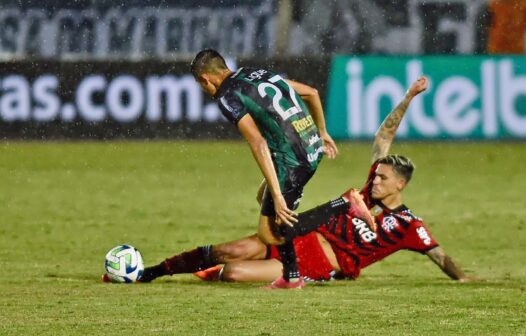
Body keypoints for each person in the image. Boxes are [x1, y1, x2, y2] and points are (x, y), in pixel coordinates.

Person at [133, 76, 472, 285]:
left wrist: (465, 279)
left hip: (320, 262)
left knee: (234, 272)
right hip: (301, 233)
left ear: (401, 186)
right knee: (228, 250)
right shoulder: (368, 191)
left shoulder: (409, 225)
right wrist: (409, 97)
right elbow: (385, 134)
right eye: (378, 173)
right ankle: (154, 271)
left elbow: (440, 257)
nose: (377, 179)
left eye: (384, 178)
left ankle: (216, 273)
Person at [188, 49, 340, 288]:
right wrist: (322, 132)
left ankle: (342, 207)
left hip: (293, 160)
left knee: (269, 233)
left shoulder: (227, 95)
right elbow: (311, 93)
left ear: (206, 79)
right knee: (264, 198)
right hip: (310, 147)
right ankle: (291, 274)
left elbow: (258, 143)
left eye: (201, 85)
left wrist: (278, 195)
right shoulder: (254, 73)